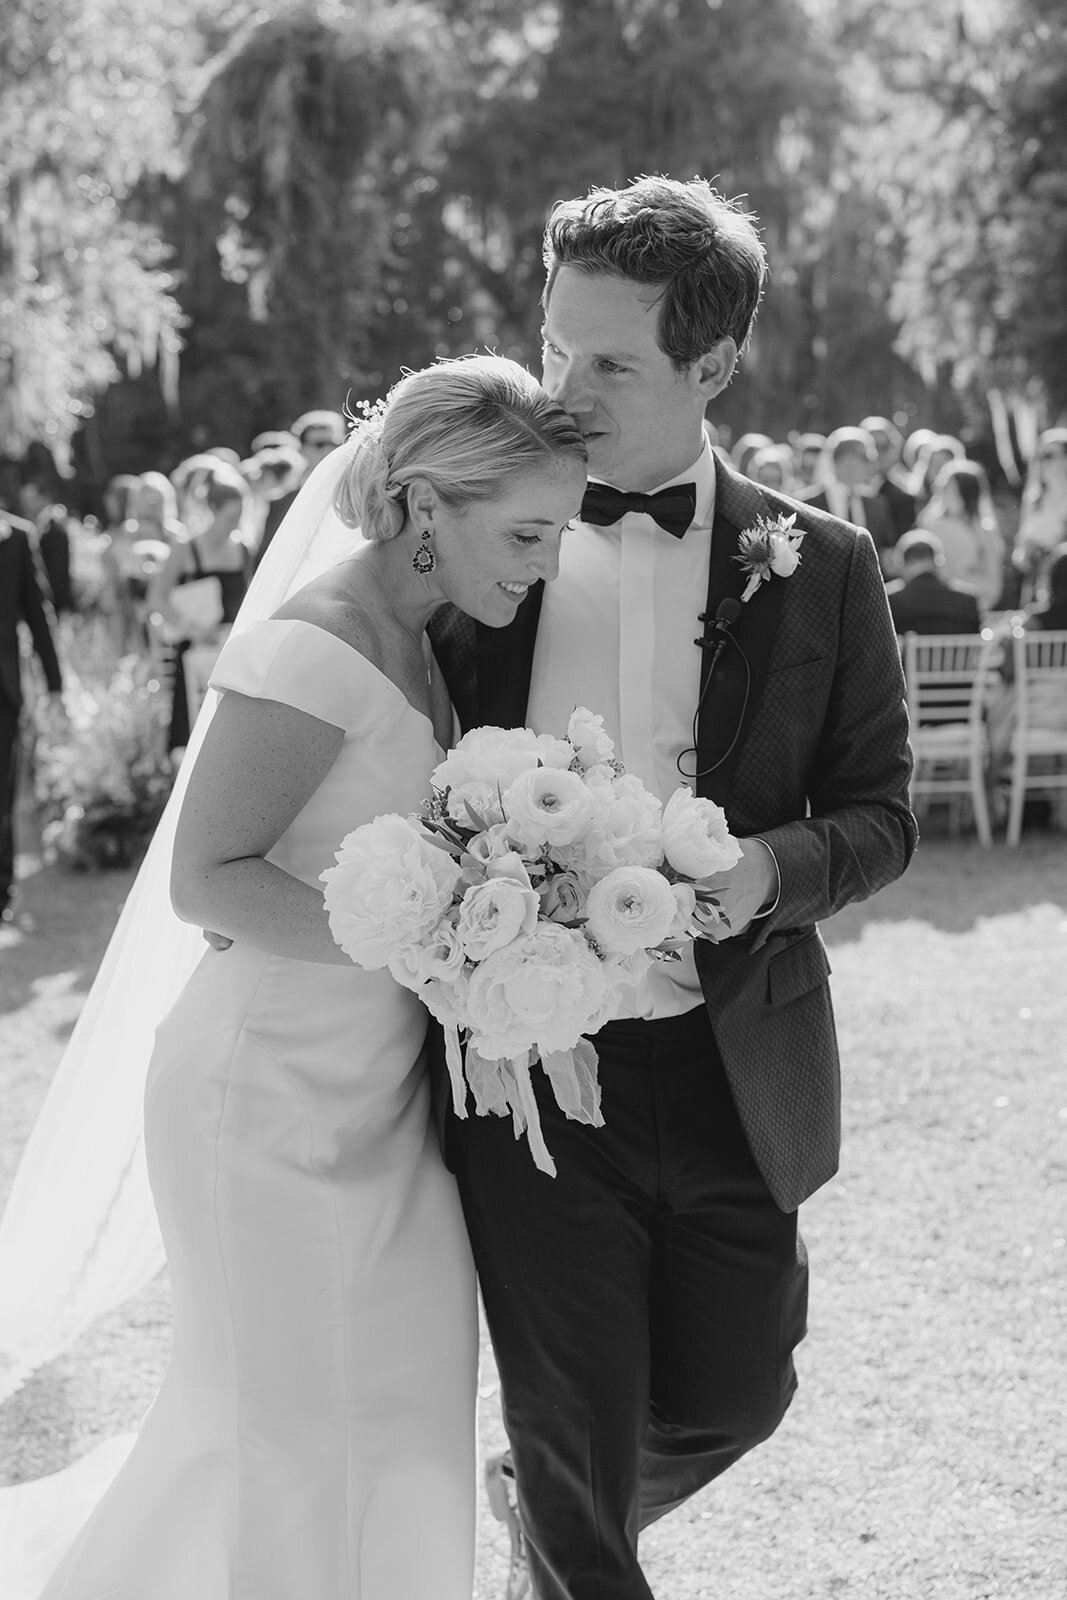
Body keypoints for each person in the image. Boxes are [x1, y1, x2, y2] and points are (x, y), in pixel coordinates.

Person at [2, 354, 588, 1600]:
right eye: (527, 532)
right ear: (428, 505)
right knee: (284, 1426)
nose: (542, 564)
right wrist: (435, 942)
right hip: (261, 1098)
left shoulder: (430, 642)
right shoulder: (312, 648)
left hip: (380, 1105)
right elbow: (206, 880)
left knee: (407, 1393)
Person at [428, 175, 917, 1600]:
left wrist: (772, 867)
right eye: (548, 344)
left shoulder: (819, 565)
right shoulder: (471, 537)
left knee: (733, 1394)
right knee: (573, 1429)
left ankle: (544, 1496)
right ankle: (562, 1501)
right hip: (527, 1064)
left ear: (711, 365)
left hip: (728, 1050)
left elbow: (879, 815)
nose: (558, 388)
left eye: (605, 363)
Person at [147, 467, 255, 751]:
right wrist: (193, 629)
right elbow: (157, 598)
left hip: (231, 653)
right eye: (231, 517)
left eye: (241, 516)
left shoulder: (243, 549)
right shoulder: (186, 549)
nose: (236, 524)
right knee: (191, 739)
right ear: (213, 509)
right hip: (194, 653)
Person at [0, 505, 64, 922]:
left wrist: (55, 682)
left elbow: (37, 612)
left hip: (2, 689)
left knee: (2, 793)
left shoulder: (17, 536)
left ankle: (1, 890)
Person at [253, 408, 347, 569]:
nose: (328, 450)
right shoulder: (280, 497)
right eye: (319, 444)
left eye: (334, 443)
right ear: (301, 448)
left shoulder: (349, 491)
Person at [801, 426, 897, 572]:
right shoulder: (806, 505)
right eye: (867, 458)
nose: (873, 465)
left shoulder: (877, 506)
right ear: (847, 460)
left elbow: (886, 557)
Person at [918, 459, 1004, 613]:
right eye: (944, 488)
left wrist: (958, 584)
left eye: (953, 490)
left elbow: (993, 586)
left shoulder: (984, 533)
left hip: (969, 611)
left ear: (967, 494)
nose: (945, 495)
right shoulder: (929, 528)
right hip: (933, 609)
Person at [885, 529, 983, 635]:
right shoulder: (967, 599)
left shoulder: (890, 600)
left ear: (902, 563)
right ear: (938, 562)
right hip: (955, 651)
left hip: (909, 651)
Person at [859, 414, 917, 544]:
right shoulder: (841, 492)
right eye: (871, 445)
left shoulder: (902, 499)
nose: (876, 453)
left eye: (883, 447)